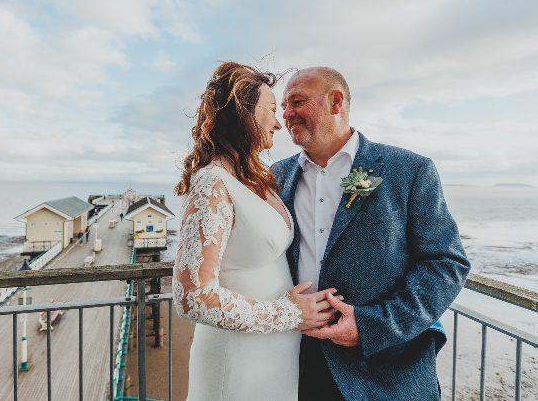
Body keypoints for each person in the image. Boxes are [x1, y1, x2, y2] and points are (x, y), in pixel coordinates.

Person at [272, 67, 471, 400]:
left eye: (297, 101)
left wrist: (370, 326)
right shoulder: (276, 177)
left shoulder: (409, 170)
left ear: (336, 102)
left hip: (385, 368)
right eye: (283, 106)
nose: (287, 114)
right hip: (296, 362)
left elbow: (445, 263)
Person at [173, 62, 338, 401]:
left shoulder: (253, 179)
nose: (280, 122)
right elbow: (192, 298)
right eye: (272, 110)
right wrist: (290, 313)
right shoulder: (212, 183)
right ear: (242, 114)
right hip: (236, 361)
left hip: (274, 359)